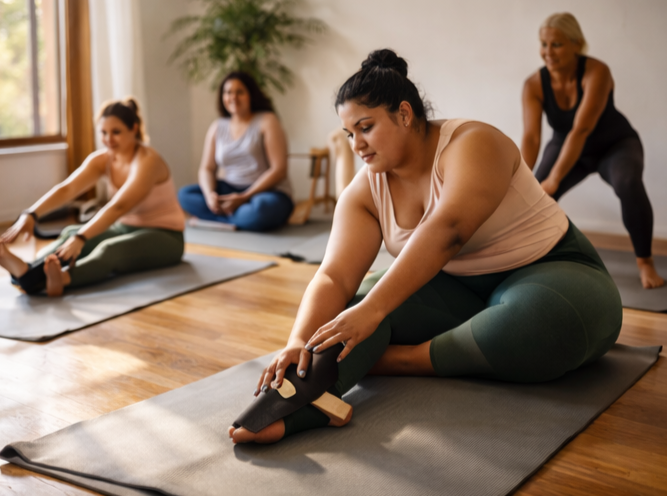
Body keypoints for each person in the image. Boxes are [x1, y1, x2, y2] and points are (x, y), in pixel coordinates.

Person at [228, 49, 622, 445]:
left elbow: (449, 230)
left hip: (553, 271)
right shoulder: (365, 190)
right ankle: (299, 410)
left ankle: (397, 360)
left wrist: (374, 310)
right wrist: (299, 340)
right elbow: (334, 276)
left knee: (543, 323)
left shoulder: (473, 142)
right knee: (349, 313)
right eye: (349, 134)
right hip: (455, 290)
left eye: (365, 127)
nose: (356, 145)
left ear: (403, 113)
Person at [521, 12, 663, 289]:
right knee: (534, 197)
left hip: (615, 144)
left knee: (628, 183)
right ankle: (527, 261)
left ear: (577, 44)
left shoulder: (597, 72)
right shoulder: (534, 84)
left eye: (557, 44)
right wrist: (522, 179)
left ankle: (645, 262)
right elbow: (531, 137)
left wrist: (555, 178)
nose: (548, 52)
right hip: (566, 144)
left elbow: (581, 130)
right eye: (544, 44)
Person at [0, 98, 185, 297]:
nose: (108, 139)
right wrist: (31, 214)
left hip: (166, 236)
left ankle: (60, 280)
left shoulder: (148, 161)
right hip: (124, 227)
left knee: (109, 249)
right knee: (70, 233)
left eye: (116, 132)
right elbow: (67, 190)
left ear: (134, 129)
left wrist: (82, 237)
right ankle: (30, 269)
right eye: (103, 133)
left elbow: (118, 207)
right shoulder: (103, 159)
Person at [178, 72, 294, 231]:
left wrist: (244, 197)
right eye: (228, 92)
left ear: (251, 95)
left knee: (260, 209)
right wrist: (209, 195)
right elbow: (207, 168)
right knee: (185, 195)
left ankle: (223, 218)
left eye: (240, 92)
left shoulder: (267, 121)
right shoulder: (217, 127)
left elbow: (279, 170)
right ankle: (236, 217)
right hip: (230, 188)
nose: (233, 97)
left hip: (266, 193)